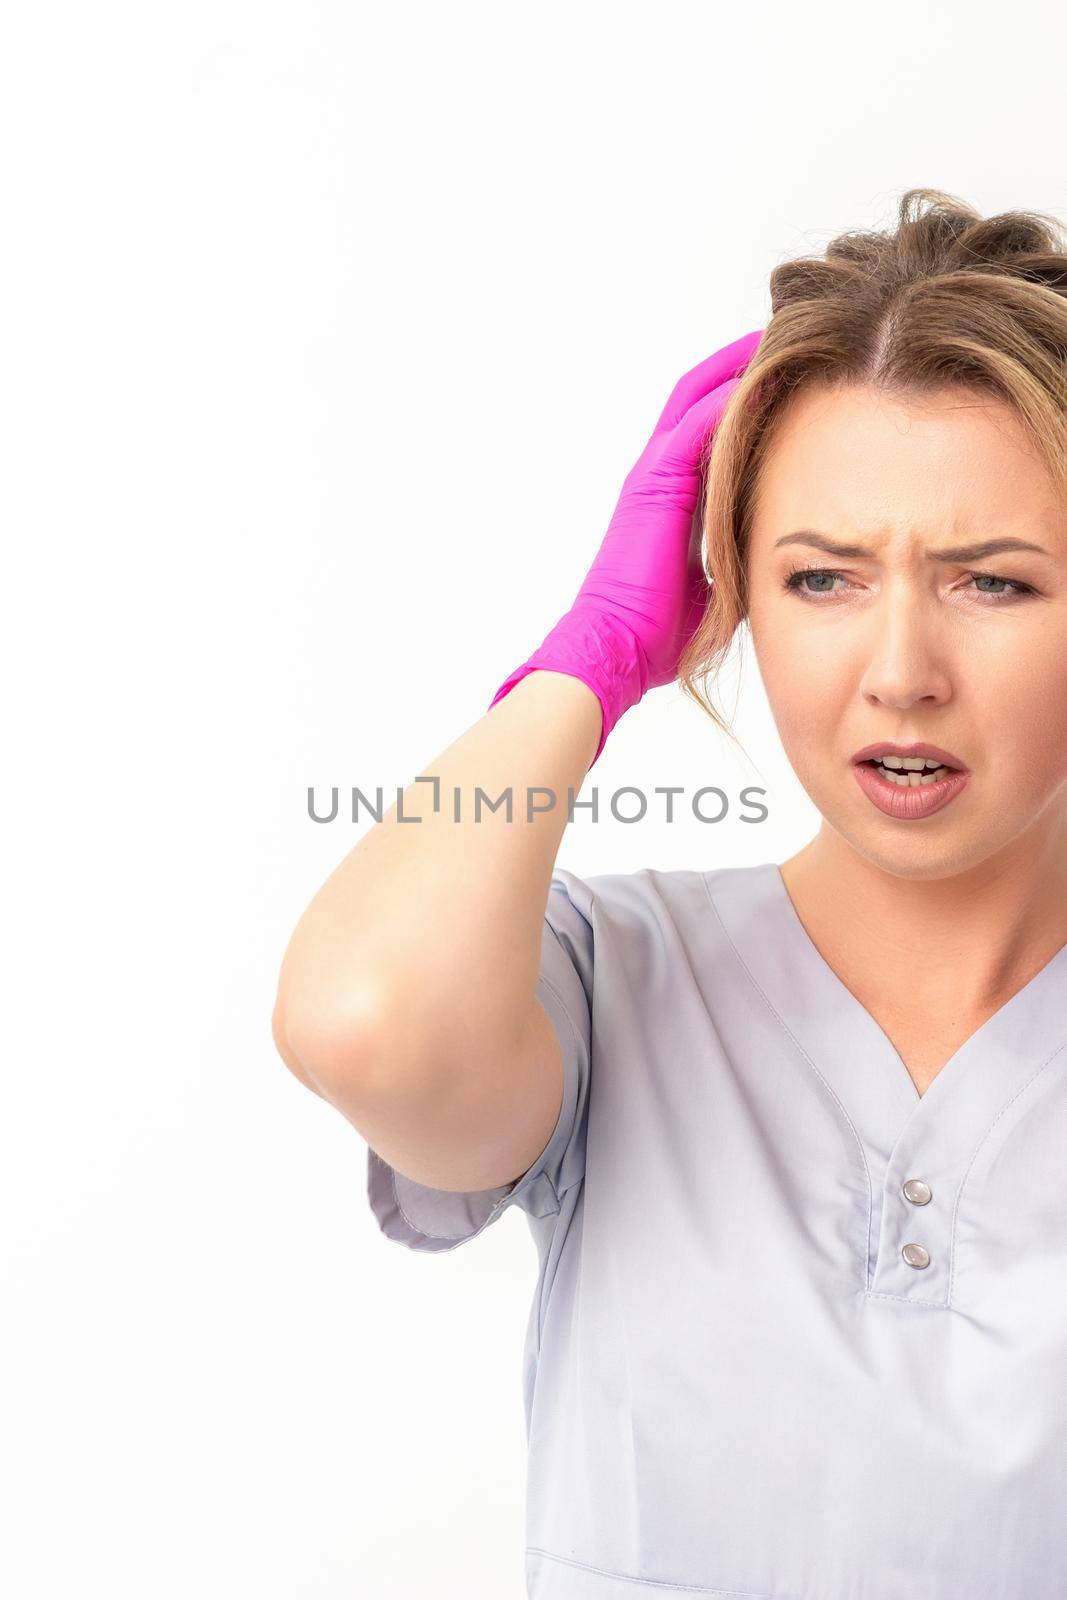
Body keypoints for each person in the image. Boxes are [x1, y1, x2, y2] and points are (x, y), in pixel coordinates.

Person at [271, 187, 1067, 1598]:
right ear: (733, 593)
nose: (900, 671)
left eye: (992, 585)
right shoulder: (610, 980)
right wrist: (595, 652)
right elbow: (364, 1020)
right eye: (820, 578)